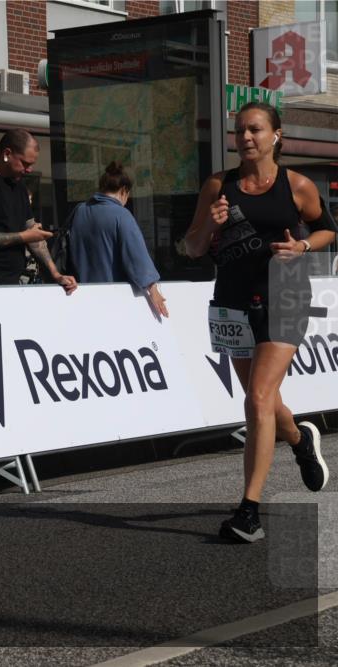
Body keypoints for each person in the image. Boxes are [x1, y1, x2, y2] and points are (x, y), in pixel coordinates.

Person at [184, 101, 336, 543]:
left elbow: (328, 229)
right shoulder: (218, 185)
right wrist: (207, 229)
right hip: (231, 300)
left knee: (258, 396)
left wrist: (303, 249)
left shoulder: (297, 185)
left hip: (286, 293)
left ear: (276, 135)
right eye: (239, 131)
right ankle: (300, 440)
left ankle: (248, 512)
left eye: (254, 130)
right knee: (264, 401)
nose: (245, 138)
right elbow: (191, 248)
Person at [0, 129, 77, 293]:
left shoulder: (19, 187)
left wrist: (56, 274)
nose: (29, 169)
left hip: (11, 283)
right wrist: (24, 236)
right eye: (25, 163)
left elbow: (34, 238)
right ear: (7, 153)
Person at [68, 162, 168, 317]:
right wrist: (153, 289)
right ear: (124, 191)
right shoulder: (121, 215)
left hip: (80, 296)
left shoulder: (79, 211)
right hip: (113, 299)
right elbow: (136, 257)